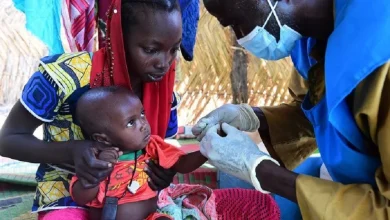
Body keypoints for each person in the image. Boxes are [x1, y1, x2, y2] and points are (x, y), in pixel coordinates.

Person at [194, 0, 390, 219]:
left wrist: (260, 170)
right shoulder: (311, 40)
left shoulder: (382, 52)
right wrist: (253, 118)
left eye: (236, 22)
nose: (240, 37)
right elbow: (321, 115)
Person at [0, 0, 183, 218]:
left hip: (139, 196)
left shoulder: (163, 92)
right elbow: (8, 140)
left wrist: (165, 171)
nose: (164, 63)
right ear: (119, 37)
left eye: (173, 49)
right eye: (151, 50)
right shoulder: (63, 76)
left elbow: (165, 149)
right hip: (67, 193)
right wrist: (73, 151)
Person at [70, 86, 207, 220]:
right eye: (130, 123)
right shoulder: (95, 159)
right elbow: (80, 197)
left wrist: (206, 151)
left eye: (142, 114)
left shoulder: (152, 146)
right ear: (102, 139)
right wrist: (99, 172)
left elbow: (182, 163)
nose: (143, 124)